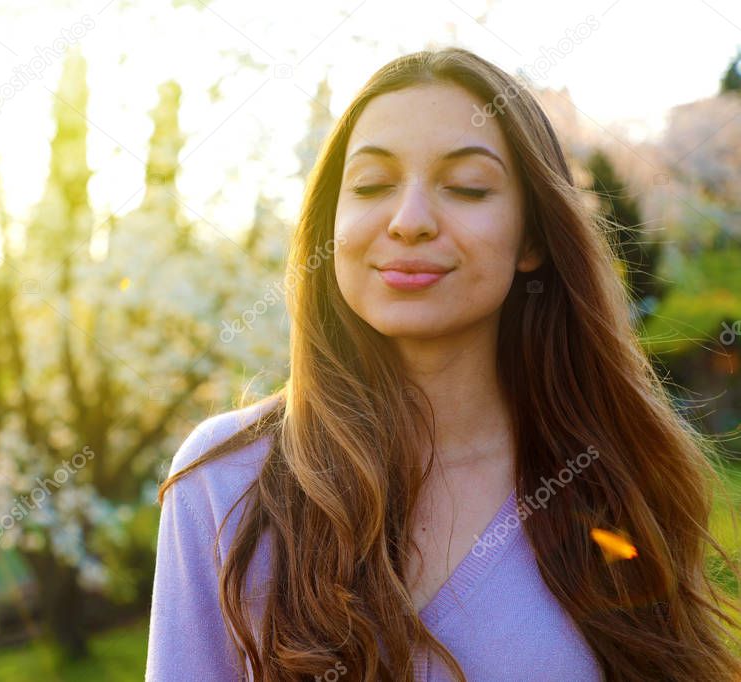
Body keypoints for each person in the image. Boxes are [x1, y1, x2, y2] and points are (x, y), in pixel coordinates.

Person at [145, 47, 741, 681]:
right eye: (372, 185)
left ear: (533, 237)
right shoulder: (226, 480)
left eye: (466, 188)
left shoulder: (610, 474)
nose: (409, 222)